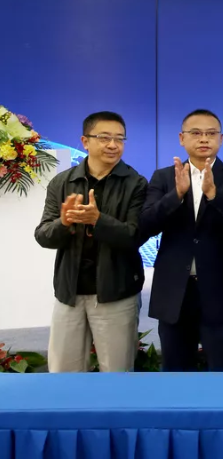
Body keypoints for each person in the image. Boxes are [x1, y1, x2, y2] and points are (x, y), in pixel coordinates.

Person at [140, 109, 223, 371]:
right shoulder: (164, 177)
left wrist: (215, 196)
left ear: (220, 139)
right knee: (176, 372)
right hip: (174, 293)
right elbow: (146, 223)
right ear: (182, 138)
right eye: (196, 133)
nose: (204, 139)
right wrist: (176, 195)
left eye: (211, 133)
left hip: (220, 292)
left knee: (222, 371)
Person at [35, 111, 147, 372]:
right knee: (64, 373)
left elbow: (135, 236)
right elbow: (43, 235)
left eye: (120, 139)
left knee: (117, 373)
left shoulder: (136, 184)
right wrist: (64, 223)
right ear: (85, 141)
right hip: (69, 293)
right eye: (104, 138)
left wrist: (98, 220)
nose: (113, 145)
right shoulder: (62, 182)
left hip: (116, 292)